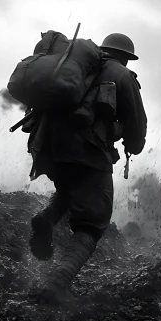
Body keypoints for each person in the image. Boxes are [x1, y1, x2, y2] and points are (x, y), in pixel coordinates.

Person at [29, 32, 147, 304]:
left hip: (50, 143)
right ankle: (57, 284)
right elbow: (137, 125)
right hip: (88, 149)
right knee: (92, 223)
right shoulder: (122, 75)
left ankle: (46, 217)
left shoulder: (79, 67)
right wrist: (133, 143)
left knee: (71, 189)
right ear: (127, 57)